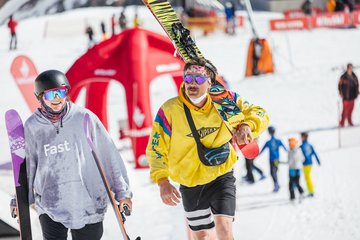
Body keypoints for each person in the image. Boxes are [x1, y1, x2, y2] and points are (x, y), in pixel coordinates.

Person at [146, 58, 269, 240]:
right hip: (190, 182)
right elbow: (156, 148)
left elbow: (260, 112)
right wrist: (162, 181)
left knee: (224, 229)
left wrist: (247, 125)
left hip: (221, 174)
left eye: (199, 79)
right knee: (203, 237)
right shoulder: (170, 110)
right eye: (188, 79)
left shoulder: (226, 101)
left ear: (210, 82)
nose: (192, 84)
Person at [24, 70, 133, 239]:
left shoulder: (84, 118)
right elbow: (29, 165)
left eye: (60, 92)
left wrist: (123, 194)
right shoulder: (33, 126)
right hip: (50, 203)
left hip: (87, 202)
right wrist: (22, 199)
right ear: (39, 97)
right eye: (50, 95)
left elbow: (109, 155)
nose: (57, 99)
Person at [259, 126, 287, 192]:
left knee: (272, 173)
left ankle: (276, 185)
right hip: (277, 159)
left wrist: (255, 156)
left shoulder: (268, 142)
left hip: (271, 160)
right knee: (275, 172)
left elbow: (262, 150)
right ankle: (277, 184)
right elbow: (285, 149)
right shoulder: (278, 141)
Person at [300, 132, 320, 198]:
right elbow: (314, 153)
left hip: (306, 164)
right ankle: (310, 189)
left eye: (301, 137)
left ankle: (311, 191)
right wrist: (318, 161)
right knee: (307, 177)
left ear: (304, 137)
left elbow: (298, 155)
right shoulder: (310, 145)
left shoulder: (302, 146)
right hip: (310, 163)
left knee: (307, 178)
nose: (301, 138)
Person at [338, 63, 359, 127]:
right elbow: (339, 85)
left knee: (350, 110)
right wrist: (341, 93)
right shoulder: (343, 77)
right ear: (347, 68)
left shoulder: (354, 76)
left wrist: (357, 92)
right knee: (344, 111)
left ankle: (350, 122)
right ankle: (342, 123)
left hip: (352, 96)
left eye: (351, 68)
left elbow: (357, 85)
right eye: (349, 68)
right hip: (345, 97)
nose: (350, 69)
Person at [287, 137, 304, 202]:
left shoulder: (290, 152)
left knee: (291, 184)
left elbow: (289, 162)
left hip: (292, 170)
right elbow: (303, 158)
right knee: (297, 183)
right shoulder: (299, 150)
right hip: (299, 169)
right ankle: (301, 192)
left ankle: (293, 197)